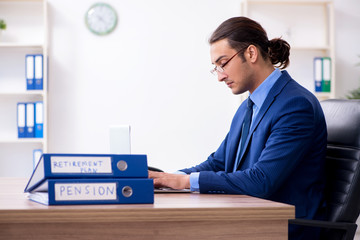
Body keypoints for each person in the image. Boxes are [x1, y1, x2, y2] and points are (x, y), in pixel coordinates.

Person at [149, 16, 327, 239]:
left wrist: (185, 181)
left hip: (284, 227)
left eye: (223, 64)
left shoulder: (295, 105)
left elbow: (261, 180)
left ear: (251, 53)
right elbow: (219, 162)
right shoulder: (248, 106)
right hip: (252, 217)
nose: (220, 76)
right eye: (216, 68)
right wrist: (167, 178)